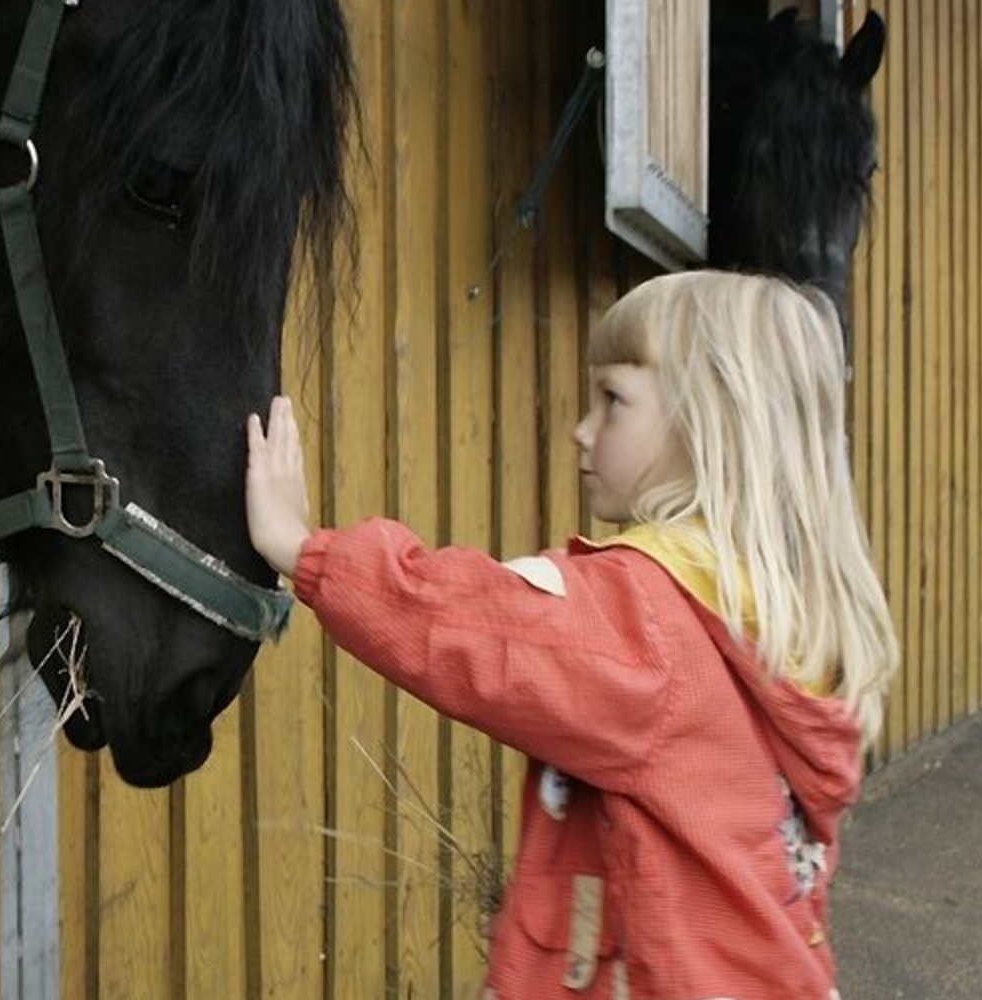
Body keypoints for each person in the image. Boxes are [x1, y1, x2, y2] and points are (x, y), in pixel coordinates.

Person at [243, 270, 899, 1000]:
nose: (581, 429)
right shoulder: (771, 619)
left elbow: (473, 624)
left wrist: (303, 549)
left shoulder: (649, 622)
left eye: (613, 400)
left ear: (711, 422)